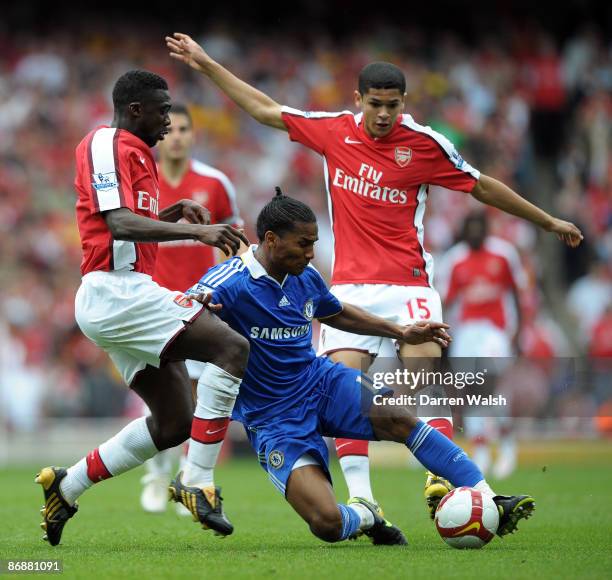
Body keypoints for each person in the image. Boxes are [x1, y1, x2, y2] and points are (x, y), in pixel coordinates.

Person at [165, 32, 583, 519]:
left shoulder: (426, 144)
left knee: (422, 384)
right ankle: (364, 498)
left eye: (392, 105)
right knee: (345, 389)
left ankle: (456, 490)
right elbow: (264, 110)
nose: (383, 114)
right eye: (375, 104)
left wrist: (548, 220)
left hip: (408, 283)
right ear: (358, 99)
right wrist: (207, 63)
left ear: (403, 103)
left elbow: (482, 187)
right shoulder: (333, 130)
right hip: (348, 286)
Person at [169, 190, 535, 546]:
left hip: (320, 384)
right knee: (326, 523)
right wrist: (197, 306)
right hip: (274, 419)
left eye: (313, 242)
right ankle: (367, 515)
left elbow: (336, 311)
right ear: (271, 240)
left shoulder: (305, 276)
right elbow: (188, 307)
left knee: (401, 418)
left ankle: (487, 496)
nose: (311, 252)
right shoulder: (231, 281)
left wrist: (399, 330)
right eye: (303, 243)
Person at [36, 70, 250, 546]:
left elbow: (128, 220)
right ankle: (197, 482)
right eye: (162, 111)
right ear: (135, 110)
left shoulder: (137, 155)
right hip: (117, 292)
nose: (168, 123)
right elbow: (116, 223)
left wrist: (170, 215)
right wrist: (197, 232)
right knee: (233, 348)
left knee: (175, 421)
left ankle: (65, 487)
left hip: (122, 294)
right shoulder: (105, 142)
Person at [139, 103, 244, 514]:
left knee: (199, 397)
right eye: (171, 129)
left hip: (198, 304)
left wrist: (226, 293)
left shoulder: (215, 183)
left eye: (185, 128)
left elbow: (233, 244)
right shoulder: (145, 180)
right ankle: (155, 475)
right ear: (162, 135)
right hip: (152, 302)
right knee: (162, 396)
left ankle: (188, 478)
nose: (177, 135)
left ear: (193, 134)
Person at [439, 211, 526, 478]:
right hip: (466, 332)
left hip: (495, 330)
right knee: (470, 389)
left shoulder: (504, 254)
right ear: (465, 232)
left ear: (486, 230)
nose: (475, 233)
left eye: (480, 228)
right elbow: (446, 301)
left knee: (490, 385)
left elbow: (517, 293)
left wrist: (519, 332)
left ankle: (507, 445)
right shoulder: (454, 259)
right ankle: (482, 449)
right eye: (471, 229)